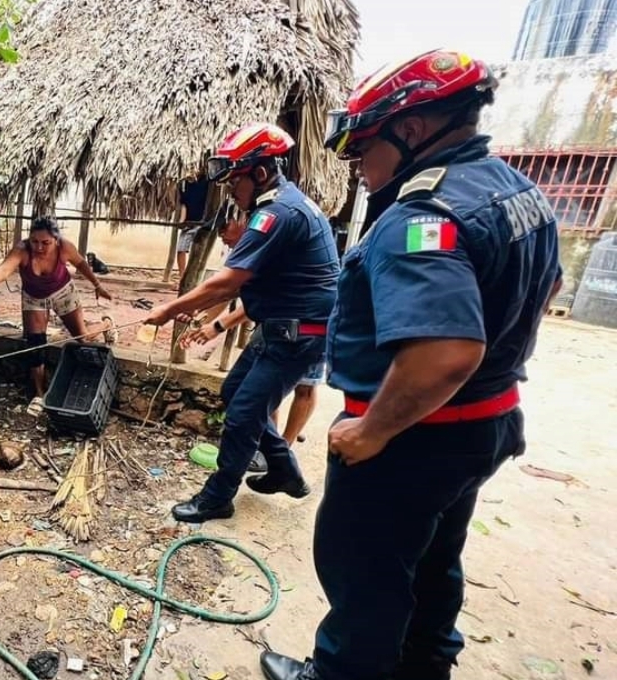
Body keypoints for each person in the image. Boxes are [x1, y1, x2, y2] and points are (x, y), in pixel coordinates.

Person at [259, 50, 562, 680]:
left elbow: (446, 352)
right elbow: (546, 292)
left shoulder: (421, 214)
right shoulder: (518, 192)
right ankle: (425, 667)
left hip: (415, 437)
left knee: (364, 571)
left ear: (414, 130)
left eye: (364, 148)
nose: (358, 166)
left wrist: (372, 432)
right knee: (432, 561)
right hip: (486, 423)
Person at [144, 122, 340, 523]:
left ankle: (218, 497)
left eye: (236, 181)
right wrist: (204, 316)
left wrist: (168, 310)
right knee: (235, 392)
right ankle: (283, 468)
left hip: (296, 335)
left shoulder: (278, 214)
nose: (231, 190)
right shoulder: (284, 204)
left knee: (242, 414)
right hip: (279, 327)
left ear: (261, 174)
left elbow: (228, 281)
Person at [0, 216, 114, 401]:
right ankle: (39, 395)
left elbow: (80, 263)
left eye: (45, 243)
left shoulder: (65, 247)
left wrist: (97, 285)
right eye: (34, 241)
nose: (39, 247)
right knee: (35, 345)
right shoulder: (22, 250)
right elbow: (5, 269)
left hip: (63, 293)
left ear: (55, 240)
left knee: (83, 337)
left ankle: (106, 324)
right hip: (34, 298)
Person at [175, 168, 209, 277]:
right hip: (189, 223)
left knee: (198, 251)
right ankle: (182, 277)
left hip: (203, 223)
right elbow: (184, 204)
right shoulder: (184, 185)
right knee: (181, 249)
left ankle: (194, 276)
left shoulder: (207, 182)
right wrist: (182, 220)